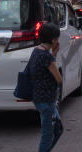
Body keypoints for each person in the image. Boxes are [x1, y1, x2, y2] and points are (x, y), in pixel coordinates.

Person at [30, 22, 64, 152]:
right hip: (46, 100)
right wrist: (53, 56)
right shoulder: (46, 56)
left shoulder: (37, 51)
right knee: (47, 134)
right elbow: (58, 78)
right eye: (57, 38)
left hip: (40, 98)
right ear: (53, 39)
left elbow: (46, 70)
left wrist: (54, 54)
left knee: (58, 129)